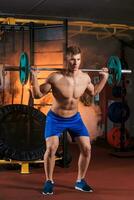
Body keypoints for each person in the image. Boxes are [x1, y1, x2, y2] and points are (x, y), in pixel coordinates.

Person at [31, 46, 109, 195]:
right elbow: (37, 95)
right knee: (52, 148)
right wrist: (33, 76)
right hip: (55, 119)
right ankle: (49, 181)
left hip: (74, 119)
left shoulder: (85, 78)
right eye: (72, 59)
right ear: (66, 59)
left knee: (87, 148)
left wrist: (105, 78)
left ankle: (80, 180)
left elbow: (94, 92)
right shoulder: (55, 78)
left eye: (78, 59)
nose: (75, 63)